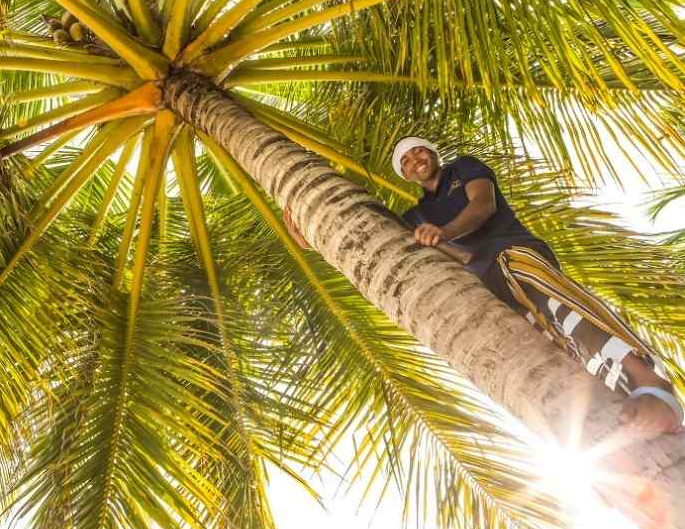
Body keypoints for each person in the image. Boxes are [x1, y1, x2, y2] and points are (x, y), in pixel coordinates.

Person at [284, 137, 682, 437]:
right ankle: (620, 404)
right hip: (486, 283)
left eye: (418, 151)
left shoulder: (462, 170)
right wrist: (318, 236)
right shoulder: (415, 214)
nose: (414, 160)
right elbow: (377, 245)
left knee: (568, 312)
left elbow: (483, 206)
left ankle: (651, 384)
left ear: (433, 153)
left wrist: (444, 231)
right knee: (557, 343)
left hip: (512, 254)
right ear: (403, 174)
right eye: (405, 161)